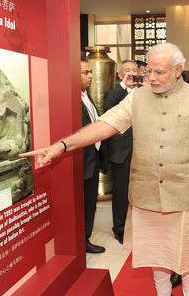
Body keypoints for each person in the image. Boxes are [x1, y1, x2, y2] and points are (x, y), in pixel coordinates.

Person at [21, 42, 189, 296]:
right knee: (156, 257)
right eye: (148, 71)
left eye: (159, 72)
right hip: (146, 196)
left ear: (178, 70)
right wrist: (62, 145)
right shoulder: (137, 97)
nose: (151, 77)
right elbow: (105, 125)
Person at [103, 60, 141, 244]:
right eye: (128, 71)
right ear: (120, 75)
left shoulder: (144, 92)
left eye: (135, 70)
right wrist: (124, 86)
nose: (132, 73)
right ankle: (120, 229)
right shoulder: (113, 93)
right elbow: (108, 108)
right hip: (122, 152)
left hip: (143, 151)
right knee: (120, 193)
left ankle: (139, 227)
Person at [80, 58, 107, 254]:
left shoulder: (86, 97)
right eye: (85, 73)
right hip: (81, 162)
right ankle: (82, 241)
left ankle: (85, 238)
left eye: (90, 72)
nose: (90, 76)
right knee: (83, 205)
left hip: (93, 159)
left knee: (90, 204)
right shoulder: (70, 99)